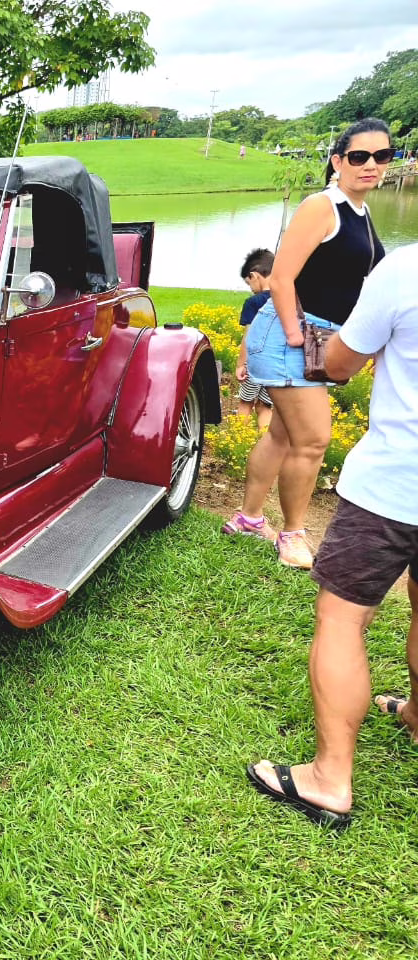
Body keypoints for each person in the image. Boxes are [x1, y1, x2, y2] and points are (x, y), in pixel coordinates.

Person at [246, 241, 418, 831]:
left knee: (342, 619)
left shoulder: (406, 269)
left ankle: (329, 779)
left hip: (394, 486)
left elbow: (340, 364)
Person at [221, 118, 392, 569]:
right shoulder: (322, 207)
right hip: (291, 334)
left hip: (318, 335)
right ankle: (292, 535)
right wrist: (299, 337)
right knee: (314, 440)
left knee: (282, 434)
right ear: (338, 161)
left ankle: (249, 519)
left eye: (382, 156)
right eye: (359, 156)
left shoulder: (360, 212)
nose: (371, 165)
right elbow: (280, 278)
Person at [233, 248, 275, 431]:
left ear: (254, 275)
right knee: (265, 406)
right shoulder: (286, 298)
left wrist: (241, 365)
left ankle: (238, 438)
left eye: (249, 283)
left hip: (255, 362)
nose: (250, 289)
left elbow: (249, 336)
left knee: (245, 403)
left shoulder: (254, 303)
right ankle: (263, 440)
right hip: (276, 364)